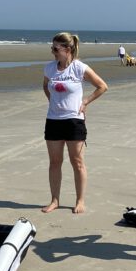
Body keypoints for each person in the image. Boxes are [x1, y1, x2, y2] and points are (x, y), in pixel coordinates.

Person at [41, 32, 108, 214]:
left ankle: (80, 201)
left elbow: (102, 86)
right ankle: (55, 200)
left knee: (77, 161)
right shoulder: (49, 68)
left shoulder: (79, 68)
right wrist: (53, 102)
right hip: (53, 120)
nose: (53, 52)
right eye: (52, 48)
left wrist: (85, 102)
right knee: (54, 162)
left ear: (68, 49)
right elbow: (45, 86)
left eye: (56, 48)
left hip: (74, 121)